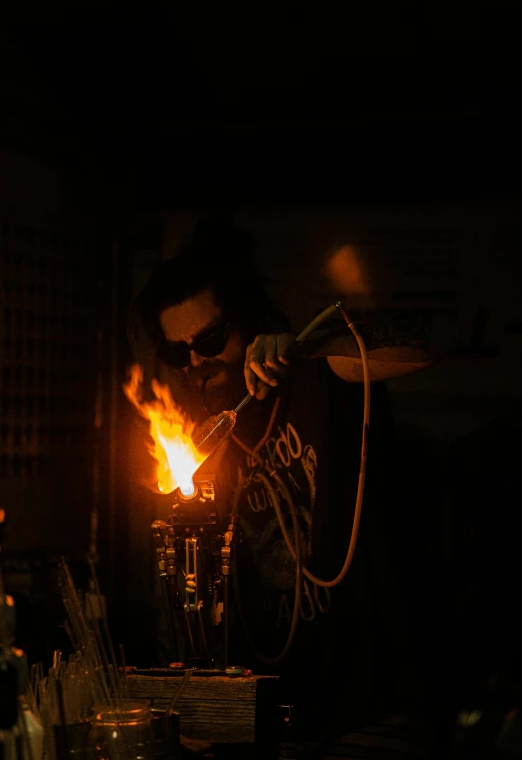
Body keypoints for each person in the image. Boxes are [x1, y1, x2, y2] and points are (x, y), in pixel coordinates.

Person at [127, 217, 461, 759]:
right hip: (276, 723)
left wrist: (309, 347)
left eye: (210, 339)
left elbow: (447, 332)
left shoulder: (321, 378)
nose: (195, 362)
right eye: (176, 352)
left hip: (369, 713)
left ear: (251, 319)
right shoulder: (209, 442)